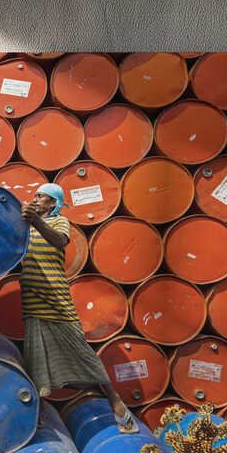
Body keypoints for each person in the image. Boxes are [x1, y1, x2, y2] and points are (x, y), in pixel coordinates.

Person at [19, 182, 137, 432]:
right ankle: (37, 410)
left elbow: (60, 242)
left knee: (80, 349)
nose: (36, 199)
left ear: (53, 203)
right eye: (36, 195)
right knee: (36, 356)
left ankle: (116, 402)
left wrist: (35, 222)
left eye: (42, 197)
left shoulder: (59, 222)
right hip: (32, 297)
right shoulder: (25, 227)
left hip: (56, 297)